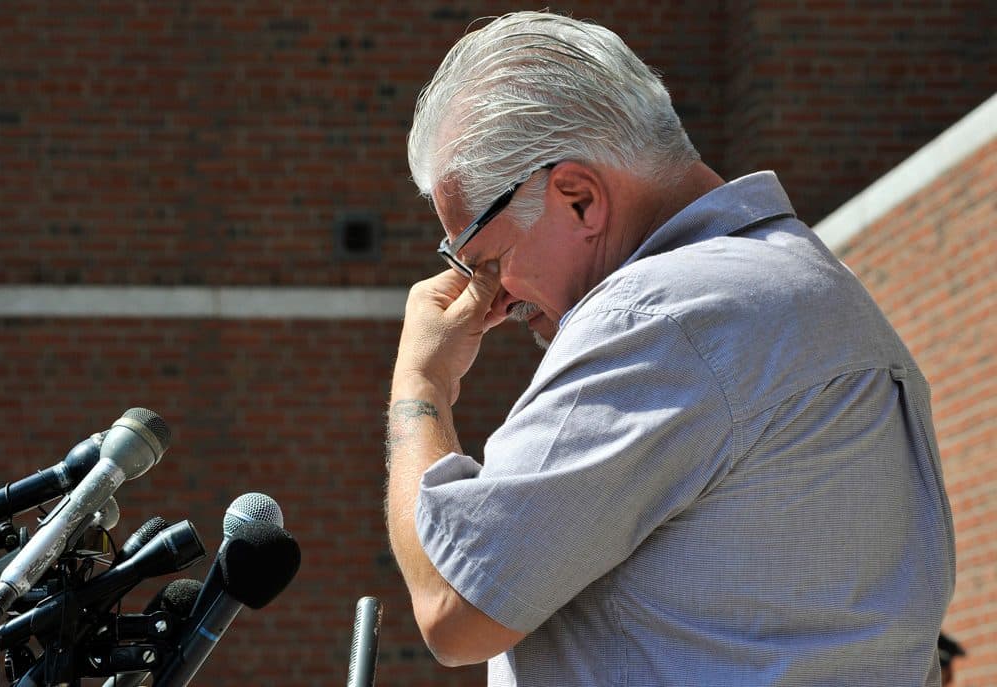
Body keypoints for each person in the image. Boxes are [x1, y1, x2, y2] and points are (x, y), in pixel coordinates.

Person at [384, 10, 956, 685]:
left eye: (487, 258)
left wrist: (422, 383)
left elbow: (455, 602)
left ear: (577, 198)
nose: (495, 298)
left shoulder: (656, 316)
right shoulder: (825, 295)